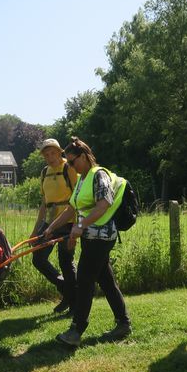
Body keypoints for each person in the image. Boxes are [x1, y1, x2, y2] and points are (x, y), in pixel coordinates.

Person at [45, 137, 132, 346]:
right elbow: (71, 209)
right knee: (106, 280)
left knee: (84, 279)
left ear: (84, 157)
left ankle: (76, 330)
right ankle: (123, 324)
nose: (71, 166)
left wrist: (81, 226)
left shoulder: (98, 174)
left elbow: (104, 203)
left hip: (101, 236)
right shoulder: (82, 178)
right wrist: (51, 227)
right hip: (90, 236)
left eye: (73, 162)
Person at [30, 138, 78, 313]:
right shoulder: (44, 172)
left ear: (60, 152)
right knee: (38, 259)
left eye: (53, 153)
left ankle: (73, 303)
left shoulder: (69, 168)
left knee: (66, 262)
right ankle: (67, 289)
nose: (50, 157)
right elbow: (44, 204)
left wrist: (77, 226)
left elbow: (78, 198)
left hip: (68, 220)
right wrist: (35, 231)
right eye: (46, 154)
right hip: (50, 222)